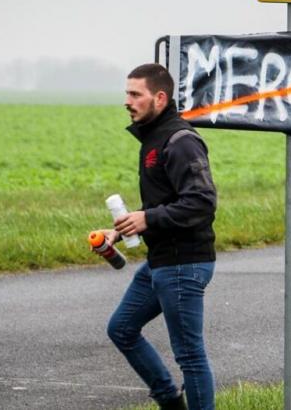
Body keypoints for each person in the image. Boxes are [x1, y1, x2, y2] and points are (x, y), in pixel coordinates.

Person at [97, 63, 218, 410]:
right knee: (121, 328)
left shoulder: (180, 141)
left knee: (190, 356)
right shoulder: (154, 138)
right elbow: (165, 202)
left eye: (136, 94)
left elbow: (201, 202)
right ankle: (169, 400)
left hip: (184, 263)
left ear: (160, 98)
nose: (127, 101)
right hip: (163, 261)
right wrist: (120, 231)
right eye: (127, 93)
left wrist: (147, 218)